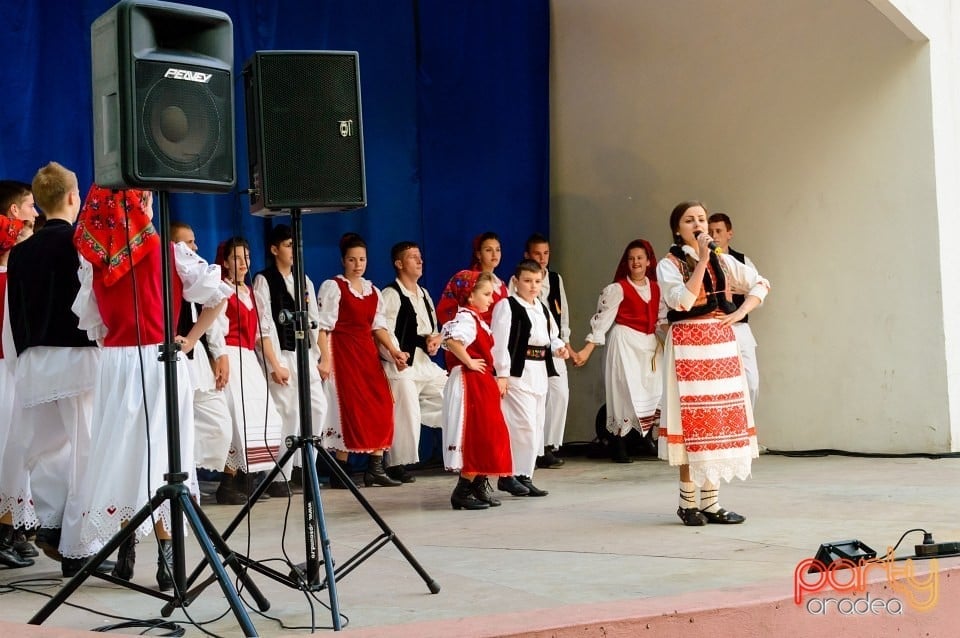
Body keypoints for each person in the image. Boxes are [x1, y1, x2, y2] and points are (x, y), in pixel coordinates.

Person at [69, 185, 232, 589]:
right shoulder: (171, 252)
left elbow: (93, 324)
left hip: (118, 362)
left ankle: (127, 548)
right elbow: (219, 296)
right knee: (161, 453)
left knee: (124, 452)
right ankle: (166, 554)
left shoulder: (95, 260)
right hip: (160, 358)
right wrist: (190, 339)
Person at [657, 201, 769, 526]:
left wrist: (740, 312)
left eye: (702, 219)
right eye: (690, 220)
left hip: (720, 345)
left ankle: (711, 502)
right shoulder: (669, 264)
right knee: (691, 424)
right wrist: (703, 258)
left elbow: (760, 283)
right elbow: (682, 300)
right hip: (688, 347)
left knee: (717, 422)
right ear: (678, 228)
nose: (698, 224)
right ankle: (687, 501)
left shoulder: (723, 259)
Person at [317, 232, 406, 488]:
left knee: (382, 403)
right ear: (343, 261)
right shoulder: (334, 286)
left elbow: (379, 326)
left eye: (362, 260)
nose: (358, 265)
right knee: (348, 409)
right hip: (343, 352)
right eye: (352, 260)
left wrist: (394, 351)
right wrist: (325, 358)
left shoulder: (373, 290)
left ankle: (375, 467)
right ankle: (340, 469)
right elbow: (323, 327)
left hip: (366, 353)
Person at [170, 222, 243, 505]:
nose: (195, 248)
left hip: (194, 357)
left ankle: (191, 471)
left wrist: (217, 352)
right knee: (176, 424)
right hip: (169, 358)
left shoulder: (197, 278)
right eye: (189, 242)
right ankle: (182, 482)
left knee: (219, 423)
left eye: (194, 241)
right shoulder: (168, 270)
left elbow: (214, 309)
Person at [252, 224, 328, 493]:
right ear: (274, 249)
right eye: (287, 245)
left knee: (318, 407)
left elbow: (315, 321)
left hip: (305, 353)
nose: (293, 251)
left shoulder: (303, 279)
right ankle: (278, 474)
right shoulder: (264, 280)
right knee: (288, 410)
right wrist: (273, 363)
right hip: (281, 352)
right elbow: (264, 325)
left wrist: (324, 357)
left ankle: (304, 466)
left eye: (295, 245)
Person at [573, 239, 663, 463]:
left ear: (648, 261)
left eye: (640, 258)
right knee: (624, 393)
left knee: (655, 390)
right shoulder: (618, 289)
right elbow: (602, 321)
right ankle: (618, 442)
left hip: (649, 345)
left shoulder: (656, 288)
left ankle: (645, 436)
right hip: (625, 342)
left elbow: (662, 318)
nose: (636, 262)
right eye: (631, 258)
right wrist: (587, 350)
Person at [491, 259, 569, 497]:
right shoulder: (508, 306)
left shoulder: (542, 308)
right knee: (521, 425)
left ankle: (525, 474)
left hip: (538, 373)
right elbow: (500, 342)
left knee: (535, 426)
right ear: (516, 282)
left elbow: (550, 336)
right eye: (527, 281)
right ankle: (509, 474)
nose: (533, 286)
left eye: (537, 281)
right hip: (517, 373)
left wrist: (559, 348)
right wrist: (502, 374)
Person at [217, 236, 287, 498]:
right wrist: (218, 359)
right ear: (225, 262)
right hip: (229, 356)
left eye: (246, 257)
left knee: (261, 416)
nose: (243, 263)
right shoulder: (221, 290)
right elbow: (215, 330)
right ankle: (228, 482)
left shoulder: (251, 293)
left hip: (248, 358)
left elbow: (261, 335)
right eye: (236, 258)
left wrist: (275, 365)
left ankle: (248, 477)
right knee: (236, 418)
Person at [439, 270, 513, 509]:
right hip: (469, 384)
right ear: (470, 296)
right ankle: (462, 491)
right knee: (476, 434)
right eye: (486, 294)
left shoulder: (475, 318)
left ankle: (477, 484)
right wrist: (469, 361)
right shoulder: (466, 318)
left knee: (488, 434)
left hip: (480, 383)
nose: (491, 299)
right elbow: (450, 340)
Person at [378, 241, 447, 482]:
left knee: (451, 395)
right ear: (399, 264)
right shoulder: (391, 294)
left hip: (424, 363)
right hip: (400, 364)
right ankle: (397, 463)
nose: (419, 261)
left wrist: (434, 340)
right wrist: (395, 353)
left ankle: (457, 453)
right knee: (405, 407)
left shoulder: (424, 294)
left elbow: (433, 330)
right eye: (412, 257)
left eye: (420, 257)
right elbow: (382, 329)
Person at [513, 233, 570, 469]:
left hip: (551, 345)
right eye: (537, 253)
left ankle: (547, 445)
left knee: (559, 394)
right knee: (531, 404)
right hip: (527, 353)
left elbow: (561, 314)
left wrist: (563, 342)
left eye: (546, 253)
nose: (542, 258)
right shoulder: (516, 288)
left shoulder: (555, 280)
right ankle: (529, 453)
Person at [0, 182, 30, 568]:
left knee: (15, 448)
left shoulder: (15, 276)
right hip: (4, 371)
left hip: (12, 370)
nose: (34, 213)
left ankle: (14, 527)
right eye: (28, 208)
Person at [708, 212, 760, 410]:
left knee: (751, 382)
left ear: (729, 233)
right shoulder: (700, 262)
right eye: (710, 231)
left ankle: (748, 432)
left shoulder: (743, 261)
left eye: (719, 231)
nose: (714, 235)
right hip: (714, 329)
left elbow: (759, 291)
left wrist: (744, 290)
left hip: (740, 328)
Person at [436, 232, 509, 328]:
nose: (494, 254)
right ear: (478, 254)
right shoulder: (467, 279)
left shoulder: (501, 284)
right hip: (474, 335)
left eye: (498, 250)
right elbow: (448, 306)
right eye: (488, 250)